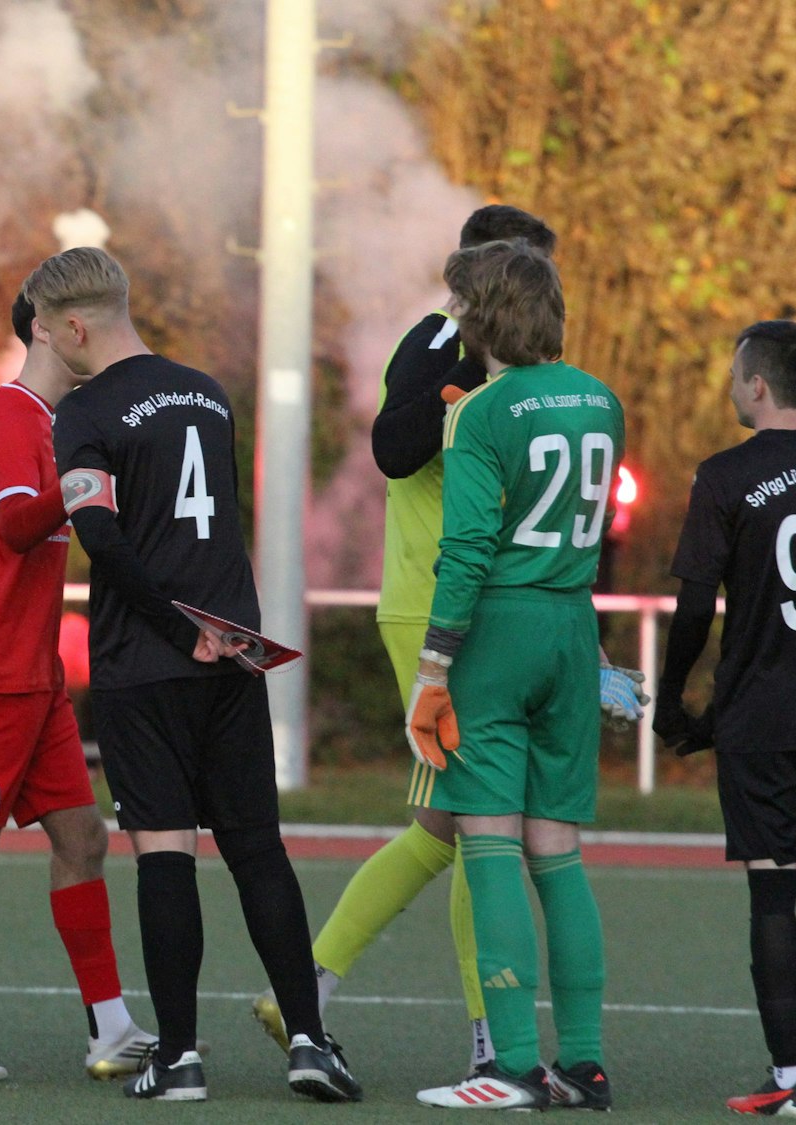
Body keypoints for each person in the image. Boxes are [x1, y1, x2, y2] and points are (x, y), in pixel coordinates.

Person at [38, 246, 360, 1104]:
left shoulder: (84, 407)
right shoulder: (207, 392)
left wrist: (171, 626)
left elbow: (101, 537)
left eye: (45, 329)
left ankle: (177, 1055)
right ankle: (309, 1041)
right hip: (233, 649)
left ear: (74, 325)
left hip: (148, 660)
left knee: (165, 854)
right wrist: (211, 627)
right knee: (258, 849)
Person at [255, 205, 559, 1075]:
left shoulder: (527, 364)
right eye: (529, 273)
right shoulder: (437, 343)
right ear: (486, 273)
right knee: (476, 825)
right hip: (436, 609)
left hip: (489, 609)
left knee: (441, 825)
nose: (542, 295)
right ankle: (489, 1035)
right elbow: (393, 446)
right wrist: (467, 380)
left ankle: (303, 990)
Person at [0, 292, 158, 1083]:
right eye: (79, 321)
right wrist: (87, 484)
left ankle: (112, 1028)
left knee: (84, 837)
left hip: (33, 675)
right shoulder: (13, 416)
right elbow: (20, 521)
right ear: (46, 329)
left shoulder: (54, 423)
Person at [406, 240, 623, 1110]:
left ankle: (512, 1065)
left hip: (498, 631)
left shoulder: (483, 411)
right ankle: (586, 1062)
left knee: (490, 845)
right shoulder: (601, 399)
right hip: (573, 627)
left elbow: (464, 552)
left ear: (482, 311)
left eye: (460, 304)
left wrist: (434, 668)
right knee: (559, 855)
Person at [654, 321, 796, 1117]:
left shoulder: (724, 476)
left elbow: (694, 605)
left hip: (762, 717)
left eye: (734, 375)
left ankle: (791, 1078)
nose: (730, 386)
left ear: (758, 385)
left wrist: (671, 700)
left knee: (773, 892)